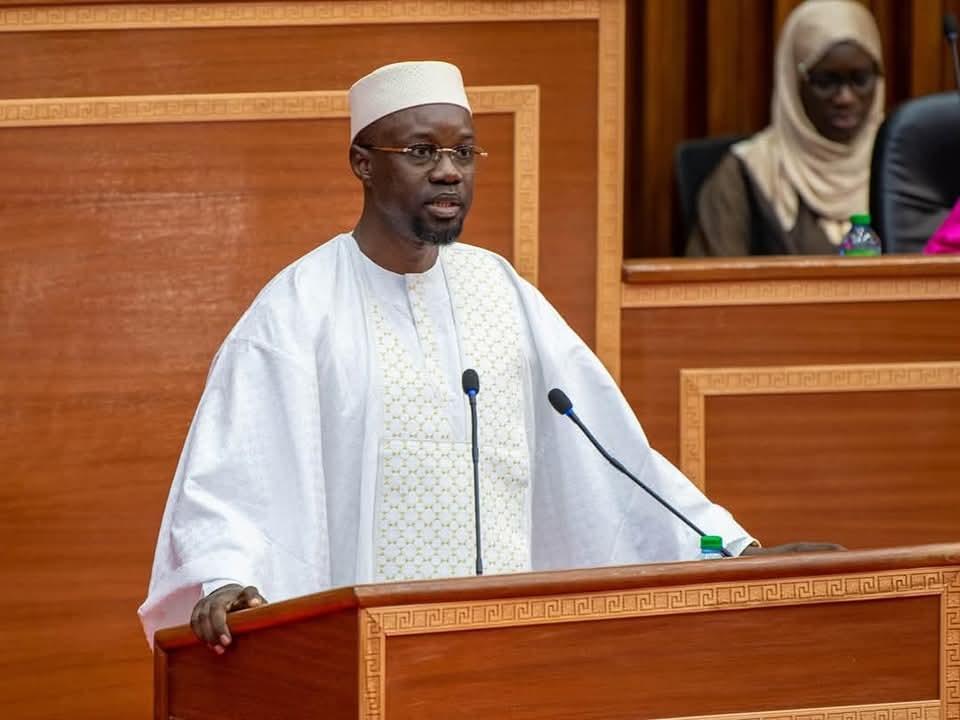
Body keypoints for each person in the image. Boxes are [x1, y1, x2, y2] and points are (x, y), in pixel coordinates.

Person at [139, 60, 824, 655]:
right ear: (362, 162)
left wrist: (734, 551)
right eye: (420, 151)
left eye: (464, 153)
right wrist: (225, 576)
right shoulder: (301, 305)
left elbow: (611, 456)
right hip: (363, 653)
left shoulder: (499, 290)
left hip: (500, 643)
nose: (447, 171)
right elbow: (238, 475)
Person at [686, 0, 885, 256]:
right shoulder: (746, 174)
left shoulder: (904, 166)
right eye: (826, 81)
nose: (845, 98)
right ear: (793, 81)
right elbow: (711, 288)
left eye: (860, 80)